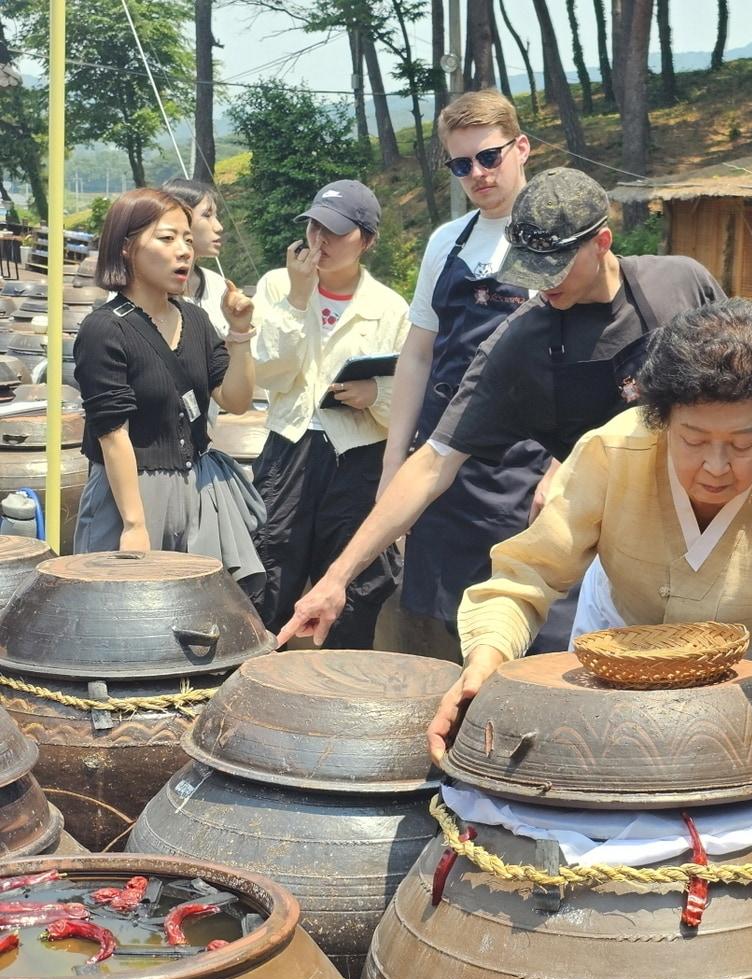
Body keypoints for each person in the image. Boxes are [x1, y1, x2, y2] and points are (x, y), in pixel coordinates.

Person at [277, 168, 725, 647]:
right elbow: (433, 462)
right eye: (530, 267)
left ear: (602, 242)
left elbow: (747, 385)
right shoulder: (520, 343)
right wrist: (337, 577)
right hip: (608, 553)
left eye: (554, 266)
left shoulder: (680, 284)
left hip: (714, 526)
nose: (542, 285)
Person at [427, 299, 752, 760]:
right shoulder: (611, 453)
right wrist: (485, 663)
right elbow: (524, 579)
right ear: (660, 420)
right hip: (619, 642)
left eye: (743, 444)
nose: (716, 467)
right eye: (693, 440)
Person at [385, 91, 573, 660]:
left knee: (522, 628)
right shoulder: (448, 241)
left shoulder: (555, 235)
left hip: (525, 468)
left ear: (522, 148)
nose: (478, 175)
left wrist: (563, 468)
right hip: (444, 464)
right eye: (461, 165)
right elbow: (418, 355)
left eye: (489, 158)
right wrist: (395, 466)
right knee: (438, 630)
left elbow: (587, 363)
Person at [247, 179, 409, 648]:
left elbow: (407, 399)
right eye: (315, 227)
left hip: (359, 457)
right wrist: (298, 299)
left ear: (368, 240)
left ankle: (338, 699)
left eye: (336, 232)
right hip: (289, 449)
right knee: (269, 568)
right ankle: (250, 682)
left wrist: (373, 393)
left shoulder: (390, 308)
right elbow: (267, 373)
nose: (321, 241)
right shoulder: (278, 286)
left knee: (354, 590)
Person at [73, 188, 262, 578]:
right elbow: (112, 433)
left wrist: (239, 333)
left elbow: (236, 400)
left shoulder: (195, 320)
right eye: (167, 238)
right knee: (122, 620)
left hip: (195, 490)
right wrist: (134, 525)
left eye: (188, 240)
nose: (184, 250)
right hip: (128, 495)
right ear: (127, 248)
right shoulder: (105, 329)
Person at [161, 178, 231, 338]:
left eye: (216, 215)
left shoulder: (217, 284)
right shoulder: (141, 288)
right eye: (207, 215)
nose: (219, 227)